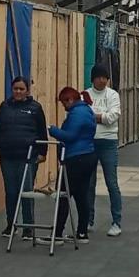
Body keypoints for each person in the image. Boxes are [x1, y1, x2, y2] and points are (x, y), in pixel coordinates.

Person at [0, 77, 48, 239]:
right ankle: (11, 225)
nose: (18, 92)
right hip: (7, 157)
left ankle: (28, 227)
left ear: (27, 91)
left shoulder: (35, 108)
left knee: (26, 192)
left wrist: (43, 153)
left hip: (28, 157)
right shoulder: (4, 107)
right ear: (11, 89)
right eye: (15, 89)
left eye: (21, 89)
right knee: (11, 192)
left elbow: (42, 132)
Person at [47, 87, 98, 243]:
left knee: (63, 195)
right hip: (88, 156)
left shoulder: (77, 114)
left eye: (64, 103)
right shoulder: (87, 111)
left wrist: (53, 130)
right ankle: (82, 232)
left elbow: (70, 136)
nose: (63, 106)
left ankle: (57, 233)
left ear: (70, 100)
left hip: (76, 158)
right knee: (82, 195)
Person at [85, 65, 123, 237]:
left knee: (111, 183)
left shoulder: (113, 95)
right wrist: (101, 117)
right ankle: (88, 219)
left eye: (105, 77)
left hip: (108, 141)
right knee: (88, 184)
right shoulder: (85, 95)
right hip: (89, 142)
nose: (102, 80)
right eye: (99, 77)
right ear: (93, 78)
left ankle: (116, 221)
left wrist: (94, 116)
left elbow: (112, 117)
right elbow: (82, 118)